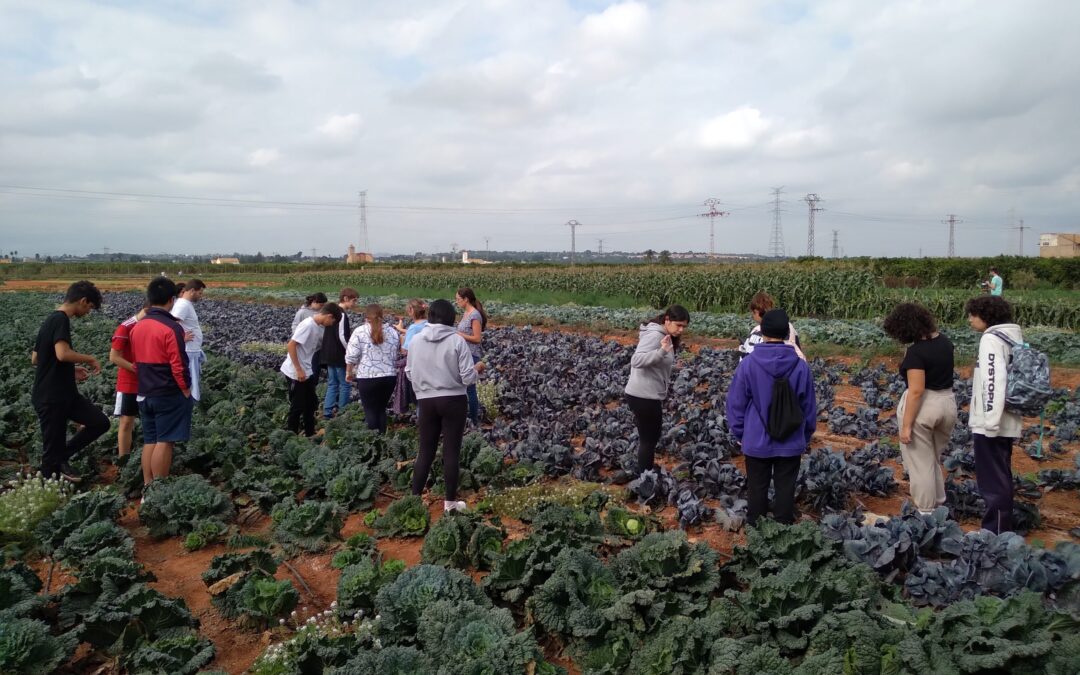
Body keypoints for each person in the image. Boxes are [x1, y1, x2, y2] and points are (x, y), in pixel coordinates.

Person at [726, 309, 817, 526]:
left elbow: (735, 405)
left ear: (762, 332)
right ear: (787, 333)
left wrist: (742, 434)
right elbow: (809, 407)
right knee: (786, 489)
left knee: (757, 487)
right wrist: (804, 436)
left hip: (756, 439)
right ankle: (783, 534)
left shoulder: (748, 364)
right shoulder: (801, 366)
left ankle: (756, 535)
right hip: (791, 439)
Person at [30, 280, 109, 482]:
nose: (89, 312)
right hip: (51, 396)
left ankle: (62, 457)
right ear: (83, 301)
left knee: (100, 422)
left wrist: (69, 370)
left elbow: (37, 358)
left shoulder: (50, 320)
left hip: (65, 394)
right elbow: (62, 353)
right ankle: (49, 488)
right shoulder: (60, 319)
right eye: (90, 307)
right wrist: (90, 358)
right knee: (51, 450)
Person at [883, 303, 957, 515]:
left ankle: (925, 512)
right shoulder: (945, 342)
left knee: (920, 464)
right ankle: (939, 504)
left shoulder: (917, 352)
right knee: (932, 458)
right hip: (947, 403)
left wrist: (906, 426)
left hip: (925, 407)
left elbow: (916, 391)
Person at [406, 299, 479, 513]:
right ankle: (449, 504)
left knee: (425, 450)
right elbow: (467, 378)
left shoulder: (416, 341)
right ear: (451, 318)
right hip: (454, 400)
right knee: (451, 452)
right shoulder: (457, 341)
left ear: (430, 317)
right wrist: (478, 369)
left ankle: (413, 501)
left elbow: (409, 373)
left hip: (426, 401)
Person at [129, 277, 193, 488]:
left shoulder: (137, 327)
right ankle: (159, 489)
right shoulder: (171, 328)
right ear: (171, 300)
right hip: (166, 391)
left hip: (144, 391)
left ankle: (148, 487)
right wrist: (185, 388)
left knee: (150, 440)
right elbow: (178, 364)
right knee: (165, 441)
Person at [966, 295, 1022, 533]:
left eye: (972, 314)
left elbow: (993, 381)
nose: (970, 319)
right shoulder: (1012, 336)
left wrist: (990, 422)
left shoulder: (990, 339)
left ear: (985, 316)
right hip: (1007, 418)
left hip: (993, 422)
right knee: (1002, 473)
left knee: (993, 481)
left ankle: (995, 532)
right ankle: (1002, 526)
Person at [624, 305, 691, 476]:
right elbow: (636, 360)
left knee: (650, 438)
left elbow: (655, 363)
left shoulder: (665, 335)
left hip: (645, 394)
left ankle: (646, 473)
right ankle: (645, 479)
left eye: (684, 326)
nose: (681, 329)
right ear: (667, 320)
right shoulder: (655, 335)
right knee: (649, 439)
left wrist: (672, 368)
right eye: (678, 325)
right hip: (643, 395)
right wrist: (661, 352)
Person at [281, 302, 341, 436]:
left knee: (311, 402)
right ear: (329, 316)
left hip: (306, 369)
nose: (332, 324)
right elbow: (291, 345)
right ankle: (291, 435)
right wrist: (298, 369)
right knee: (297, 405)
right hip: (296, 372)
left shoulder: (315, 325)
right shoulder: (308, 325)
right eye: (333, 321)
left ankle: (310, 432)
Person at [345, 304, 400, 433]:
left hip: (368, 377)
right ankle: (382, 441)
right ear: (382, 315)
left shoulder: (360, 331)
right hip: (389, 377)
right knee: (381, 410)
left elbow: (351, 356)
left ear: (366, 316)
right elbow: (396, 351)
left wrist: (348, 372)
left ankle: (372, 442)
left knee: (370, 411)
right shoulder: (392, 331)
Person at [108, 302, 148, 459]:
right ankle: (123, 459)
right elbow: (114, 357)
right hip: (129, 382)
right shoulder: (126, 327)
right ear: (147, 309)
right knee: (126, 422)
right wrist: (137, 369)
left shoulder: (153, 326)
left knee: (149, 420)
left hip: (149, 382)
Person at [320, 288, 359, 418]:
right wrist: (350, 351)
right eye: (354, 300)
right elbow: (342, 336)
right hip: (338, 355)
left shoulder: (331, 311)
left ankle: (327, 412)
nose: (355, 304)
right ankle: (343, 413)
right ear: (346, 298)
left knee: (332, 383)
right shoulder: (341, 314)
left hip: (328, 354)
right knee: (345, 384)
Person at [739, 291, 805, 360]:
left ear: (756, 312)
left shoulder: (757, 331)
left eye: (753, 313)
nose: (752, 316)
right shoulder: (788, 326)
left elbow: (746, 358)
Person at [455, 288, 487, 423]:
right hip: (463, 353)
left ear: (466, 299)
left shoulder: (475, 315)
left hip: (472, 354)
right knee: (463, 387)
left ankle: (474, 420)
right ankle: (466, 417)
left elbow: (477, 338)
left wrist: (459, 335)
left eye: (458, 299)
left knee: (470, 389)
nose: (456, 302)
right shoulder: (466, 313)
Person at [171, 279, 206, 401]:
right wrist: (181, 338)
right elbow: (172, 324)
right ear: (192, 291)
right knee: (190, 383)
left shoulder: (185, 304)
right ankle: (189, 404)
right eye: (200, 293)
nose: (201, 296)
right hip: (189, 351)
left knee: (192, 382)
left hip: (192, 350)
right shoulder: (183, 305)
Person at [392, 299, 428, 415]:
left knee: (419, 399)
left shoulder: (413, 328)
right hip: (428, 363)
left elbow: (405, 351)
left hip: (416, 365)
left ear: (412, 310)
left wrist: (402, 339)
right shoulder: (428, 324)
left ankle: (422, 427)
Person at [292, 292, 328, 387]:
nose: (322, 307)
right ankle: (311, 386)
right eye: (320, 305)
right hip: (311, 348)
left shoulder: (322, 312)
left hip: (321, 345)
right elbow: (295, 326)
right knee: (313, 369)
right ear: (314, 302)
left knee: (319, 367)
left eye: (323, 305)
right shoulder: (302, 312)